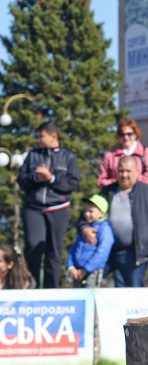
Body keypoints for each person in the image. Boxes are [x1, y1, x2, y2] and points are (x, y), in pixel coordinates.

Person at [17, 121, 81, 288]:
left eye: (41, 136)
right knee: (33, 247)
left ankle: (51, 289)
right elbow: (22, 180)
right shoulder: (32, 155)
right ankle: (31, 287)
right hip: (34, 209)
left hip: (58, 209)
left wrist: (51, 178)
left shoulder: (68, 157)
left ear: (53, 136)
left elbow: (73, 184)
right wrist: (35, 178)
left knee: (54, 252)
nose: (38, 139)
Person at [102, 155, 148, 287]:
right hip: (110, 253)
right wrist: (85, 227)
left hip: (136, 254)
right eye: (121, 171)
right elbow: (90, 213)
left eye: (128, 171)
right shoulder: (107, 192)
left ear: (137, 172)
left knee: (134, 292)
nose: (124, 175)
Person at [66, 195, 114, 287]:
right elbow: (74, 248)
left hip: (93, 272)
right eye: (85, 211)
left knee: (90, 294)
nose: (87, 214)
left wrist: (86, 269)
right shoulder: (85, 230)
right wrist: (70, 266)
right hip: (77, 271)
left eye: (91, 211)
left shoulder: (105, 230)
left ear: (101, 213)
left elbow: (102, 253)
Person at [97, 117, 148, 187]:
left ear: (135, 134)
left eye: (129, 134)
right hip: (116, 192)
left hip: (140, 192)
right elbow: (101, 181)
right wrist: (118, 181)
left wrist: (131, 179)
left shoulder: (146, 153)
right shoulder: (110, 156)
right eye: (122, 134)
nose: (125, 137)